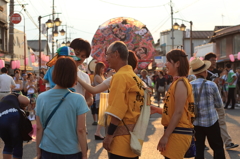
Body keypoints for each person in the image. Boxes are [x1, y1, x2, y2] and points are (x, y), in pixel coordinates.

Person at [35, 57, 89, 159]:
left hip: (48, 150)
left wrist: (38, 153)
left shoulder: (41, 97)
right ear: (73, 76)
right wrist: (84, 154)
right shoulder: (78, 99)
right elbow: (81, 129)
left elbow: (39, 128)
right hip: (72, 152)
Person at [103, 41, 144, 159]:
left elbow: (117, 109)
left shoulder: (120, 77)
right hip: (133, 138)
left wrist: (109, 135)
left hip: (120, 141)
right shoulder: (135, 77)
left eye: (107, 54)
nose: (106, 58)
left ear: (116, 54)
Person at [157, 49, 195, 159]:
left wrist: (165, 136)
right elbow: (176, 110)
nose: (166, 64)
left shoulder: (181, 83)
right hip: (177, 132)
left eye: (168, 61)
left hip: (179, 132)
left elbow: (178, 113)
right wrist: (157, 109)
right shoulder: (178, 82)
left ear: (177, 64)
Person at [190, 58, 225, 159]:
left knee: (199, 149)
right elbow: (219, 104)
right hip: (212, 121)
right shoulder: (211, 84)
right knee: (217, 147)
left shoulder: (189, 85)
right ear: (205, 71)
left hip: (196, 123)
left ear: (195, 74)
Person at [205, 53, 239, 150]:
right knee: (202, 123)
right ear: (207, 61)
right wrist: (214, 82)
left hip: (217, 100)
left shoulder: (217, 71)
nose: (214, 62)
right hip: (206, 102)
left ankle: (228, 142)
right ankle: (199, 143)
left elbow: (221, 82)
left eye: (215, 59)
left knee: (222, 121)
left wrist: (221, 81)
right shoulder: (203, 71)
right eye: (212, 59)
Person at [0, 93, 30, 159]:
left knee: (8, 144)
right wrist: (23, 106)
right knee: (17, 144)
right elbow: (26, 101)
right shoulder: (14, 95)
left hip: (1, 119)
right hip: (13, 117)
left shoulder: (2, 102)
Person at [70, 38, 93, 107]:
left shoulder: (85, 77)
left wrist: (83, 106)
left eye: (83, 56)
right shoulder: (58, 72)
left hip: (79, 116)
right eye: (77, 54)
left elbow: (90, 97)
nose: (79, 58)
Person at [92, 62, 107, 140]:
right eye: (102, 68)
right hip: (100, 97)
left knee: (103, 116)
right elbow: (105, 84)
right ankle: (97, 132)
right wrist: (110, 76)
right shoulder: (97, 76)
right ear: (98, 68)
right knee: (102, 115)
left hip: (104, 97)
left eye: (103, 68)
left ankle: (99, 132)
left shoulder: (101, 76)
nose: (103, 69)